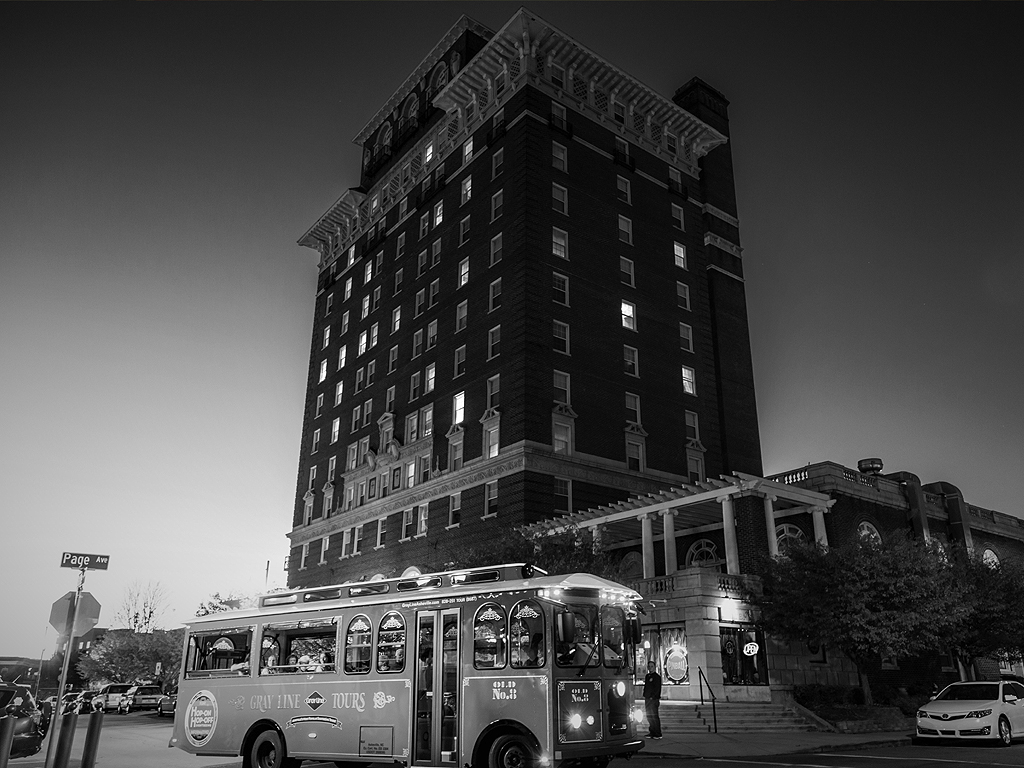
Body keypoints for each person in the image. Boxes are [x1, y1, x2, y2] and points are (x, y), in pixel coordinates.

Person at [643, 661, 663, 739]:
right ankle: (652, 732)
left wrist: (653, 697)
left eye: (652, 666)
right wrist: (645, 695)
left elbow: (657, 689)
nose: (650, 668)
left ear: (654, 667)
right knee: (649, 716)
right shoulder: (647, 676)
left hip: (653, 700)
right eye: (649, 666)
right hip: (647, 699)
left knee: (654, 716)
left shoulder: (657, 677)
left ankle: (658, 733)